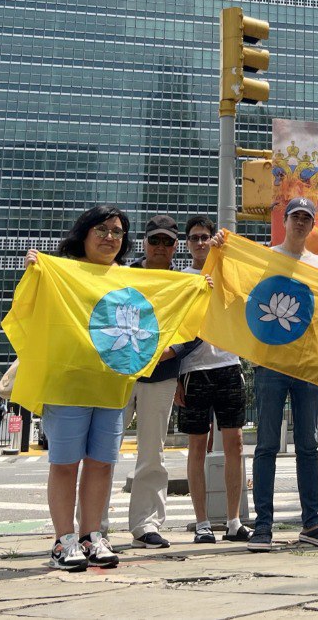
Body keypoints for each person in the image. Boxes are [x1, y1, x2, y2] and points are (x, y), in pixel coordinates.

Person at [213, 197, 318, 552]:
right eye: (295, 217)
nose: (300, 223)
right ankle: (263, 526)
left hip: (307, 363)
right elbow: (241, 292)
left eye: (307, 218)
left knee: (308, 446)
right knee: (267, 445)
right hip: (270, 362)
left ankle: (311, 523)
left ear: (312, 226)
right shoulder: (266, 258)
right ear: (284, 221)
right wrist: (222, 252)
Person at [24, 205, 131, 570]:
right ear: (83, 233)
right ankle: (63, 540)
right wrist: (37, 272)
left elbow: (156, 312)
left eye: (117, 232)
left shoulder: (130, 280)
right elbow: (36, 311)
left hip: (111, 382)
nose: (109, 237)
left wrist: (197, 288)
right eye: (101, 229)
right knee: (65, 463)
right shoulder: (62, 271)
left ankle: (91, 536)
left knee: (102, 464)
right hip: (68, 382)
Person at [117, 215, 197, 550]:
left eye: (167, 242)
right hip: (120, 372)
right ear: (144, 242)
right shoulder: (121, 275)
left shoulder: (184, 283)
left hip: (161, 375)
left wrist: (174, 350)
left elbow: (196, 327)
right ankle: (92, 525)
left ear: (176, 246)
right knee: (103, 452)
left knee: (152, 453)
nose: (160, 247)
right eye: (155, 241)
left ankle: (145, 524)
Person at [176, 214, 251, 544]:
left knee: (234, 443)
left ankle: (234, 520)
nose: (201, 242)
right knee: (196, 445)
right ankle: (202, 522)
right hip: (193, 369)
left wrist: (228, 249)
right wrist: (176, 376)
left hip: (228, 365)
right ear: (187, 244)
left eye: (205, 236)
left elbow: (249, 283)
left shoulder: (226, 271)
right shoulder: (182, 279)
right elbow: (173, 330)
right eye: (194, 237)